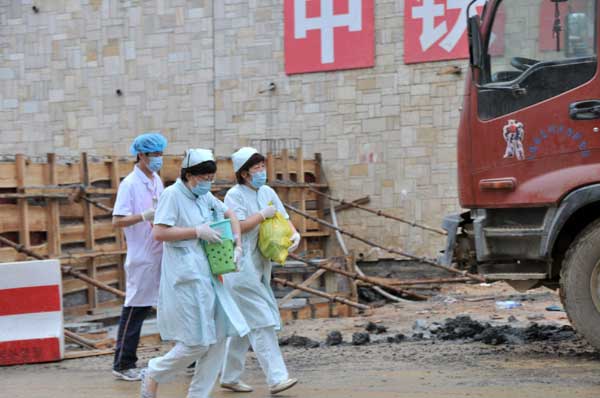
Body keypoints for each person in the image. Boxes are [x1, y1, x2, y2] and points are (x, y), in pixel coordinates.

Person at [140, 148, 250, 398]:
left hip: (208, 275)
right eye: (204, 178)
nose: (208, 183)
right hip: (184, 278)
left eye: (211, 178)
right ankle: (154, 372)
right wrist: (196, 231)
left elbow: (229, 213)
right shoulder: (172, 196)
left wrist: (237, 244)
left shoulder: (204, 196)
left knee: (220, 336)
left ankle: (198, 395)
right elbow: (159, 232)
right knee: (197, 342)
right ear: (189, 175)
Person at [219, 147, 300, 395]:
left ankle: (229, 376)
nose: (261, 172)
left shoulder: (267, 191)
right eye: (256, 169)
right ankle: (277, 377)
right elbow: (238, 227)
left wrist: (294, 233)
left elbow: (283, 216)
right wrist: (261, 215)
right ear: (244, 174)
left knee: (246, 323)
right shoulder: (234, 196)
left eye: (263, 167)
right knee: (261, 319)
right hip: (239, 267)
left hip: (260, 264)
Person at [111, 132, 167, 381]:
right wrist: (144, 216)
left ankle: (186, 357)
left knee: (169, 305)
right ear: (141, 155)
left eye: (160, 154)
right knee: (135, 309)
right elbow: (117, 220)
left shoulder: (157, 180)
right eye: (154, 155)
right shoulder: (129, 184)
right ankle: (123, 363)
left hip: (160, 252)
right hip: (141, 256)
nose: (158, 159)